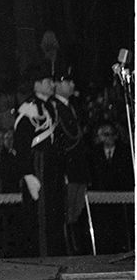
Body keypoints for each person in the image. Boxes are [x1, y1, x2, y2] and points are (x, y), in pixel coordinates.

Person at [13, 65, 66, 256]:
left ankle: (55, 255)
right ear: (36, 85)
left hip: (51, 167)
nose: (52, 85)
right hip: (38, 167)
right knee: (41, 216)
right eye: (48, 82)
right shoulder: (29, 109)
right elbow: (21, 144)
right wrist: (27, 174)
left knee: (54, 214)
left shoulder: (51, 106)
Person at [52, 65, 91, 254]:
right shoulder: (54, 108)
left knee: (76, 212)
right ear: (57, 85)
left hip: (77, 167)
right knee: (67, 213)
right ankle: (69, 250)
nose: (72, 84)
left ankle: (76, 248)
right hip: (67, 168)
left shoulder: (71, 107)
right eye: (68, 81)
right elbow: (62, 142)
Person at [88, 120, 134, 254]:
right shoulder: (94, 153)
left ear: (116, 136)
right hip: (100, 198)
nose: (108, 138)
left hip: (121, 199)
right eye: (105, 135)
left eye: (111, 134)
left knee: (120, 227)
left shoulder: (125, 151)